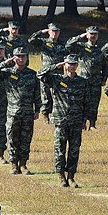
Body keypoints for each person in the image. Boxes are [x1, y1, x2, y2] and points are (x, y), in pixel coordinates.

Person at [37, 55, 88, 187]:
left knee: (74, 150)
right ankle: (61, 176)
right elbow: (40, 75)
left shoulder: (83, 81)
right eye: (69, 64)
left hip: (76, 121)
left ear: (77, 65)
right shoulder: (56, 79)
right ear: (65, 65)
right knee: (60, 149)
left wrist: (84, 120)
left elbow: (86, 102)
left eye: (74, 64)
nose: (72, 66)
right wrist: (56, 66)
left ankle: (71, 176)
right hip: (61, 120)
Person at [0, 47, 41, 174]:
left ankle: (23, 164)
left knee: (26, 139)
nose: (21, 58)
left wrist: (37, 109)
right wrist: (5, 63)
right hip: (13, 112)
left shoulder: (32, 74)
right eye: (18, 56)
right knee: (12, 138)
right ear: (14, 58)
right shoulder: (7, 72)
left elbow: (37, 93)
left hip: (28, 112)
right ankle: (14, 164)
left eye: (23, 56)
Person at [65, 26, 108, 130]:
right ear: (87, 35)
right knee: (82, 102)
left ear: (98, 35)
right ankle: (82, 122)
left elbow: (105, 66)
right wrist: (80, 36)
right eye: (90, 33)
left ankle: (92, 124)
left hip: (96, 81)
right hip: (83, 80)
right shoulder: (82, 47)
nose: (93, 36)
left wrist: (104, 79)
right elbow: (68, 45)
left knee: (94, 102)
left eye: (95, 34)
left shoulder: (101, 49)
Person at [28, 23, 66, 123]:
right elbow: (31, 40)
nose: (55, 33)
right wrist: (41, 32)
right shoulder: (43, 42)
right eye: (53, 31)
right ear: (49, 32)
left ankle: (56, 116)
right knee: (46, 95)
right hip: (46, 73)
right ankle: (45, 116)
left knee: (58, 95)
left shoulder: (62, 44)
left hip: (59, 74)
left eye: (57, 31)